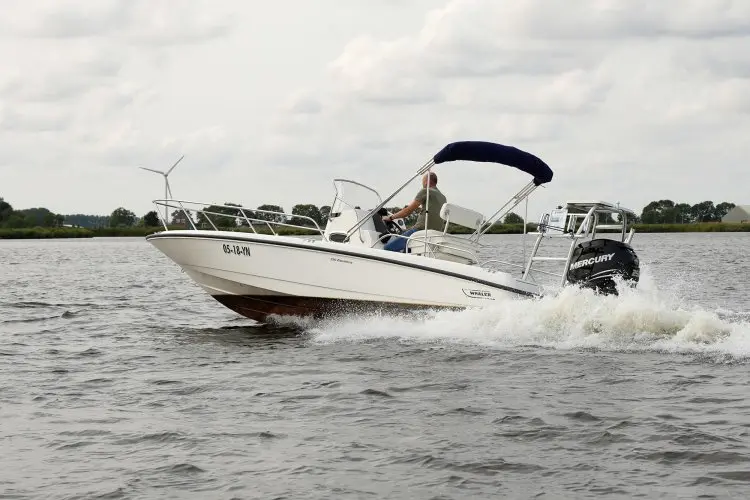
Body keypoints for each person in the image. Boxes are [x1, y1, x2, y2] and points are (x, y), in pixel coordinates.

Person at [382, 171, 446, 252]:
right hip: (434, 236)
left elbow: (407, 212)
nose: (422, 183)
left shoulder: (425, 191)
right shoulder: (443, 198)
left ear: (426, 181)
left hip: (420, 232)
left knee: (386, 248)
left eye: (422, 181)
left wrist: (390, 218)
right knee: (405, 249)